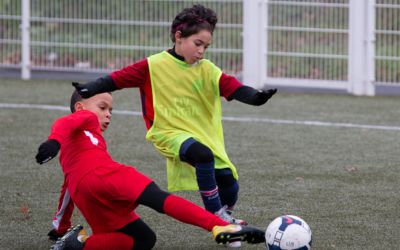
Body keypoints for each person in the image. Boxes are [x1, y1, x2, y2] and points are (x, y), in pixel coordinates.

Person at [72, 4, 277, 226]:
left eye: (206, 47)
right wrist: (89, 89)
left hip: (203, 133)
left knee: (229, 181)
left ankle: (226, 217)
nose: (201, 51)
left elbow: (233, 87)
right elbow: (118, 79)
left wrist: (256, 98)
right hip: (166, 132)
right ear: (179, 37)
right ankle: (216, 216)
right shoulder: (153, 65)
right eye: (197, 44)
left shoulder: (207, 69)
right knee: (203, 155)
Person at [35, 91, 265, 250]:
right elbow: (64, 123)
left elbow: (67, 189)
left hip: (86, 195)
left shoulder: (73, 148)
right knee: (157, 197)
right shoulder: (84, 119)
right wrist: (53, 141)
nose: (108, 114)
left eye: (111, 110)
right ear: (80, 107)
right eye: (103, 107)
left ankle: (80, 244)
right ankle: (220, 225)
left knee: (143, 239)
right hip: (103, 174)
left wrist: (61, 227)